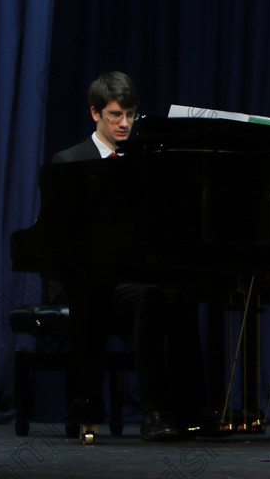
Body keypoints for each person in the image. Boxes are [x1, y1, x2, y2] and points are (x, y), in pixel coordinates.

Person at [51, 72, 207, 441]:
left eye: (130, 115)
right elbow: (59, 238)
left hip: (132, 276)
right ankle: (153, 411)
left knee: (182, 299)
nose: (124, 123)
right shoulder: (70, 161)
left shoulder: (145, 164)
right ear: (95, 114)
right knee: (150, 300)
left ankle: (191, 412)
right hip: (87, 282)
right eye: (115, 115)